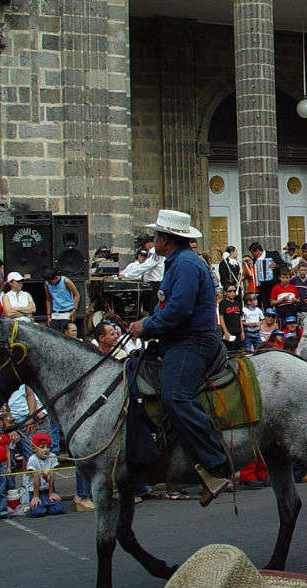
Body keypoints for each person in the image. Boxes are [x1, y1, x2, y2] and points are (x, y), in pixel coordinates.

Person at [128, 210, 230, 507]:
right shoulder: (177, 263)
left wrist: (146, 325)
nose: (153, 240)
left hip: (192, 342)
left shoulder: (184, 265)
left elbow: (179, 310)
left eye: (156, 235)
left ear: (166, 239)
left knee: (175, 396)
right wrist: (150, 323)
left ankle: (215, 464)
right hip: (179, 339)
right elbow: (170, 308)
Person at [23, 433, 65, 518]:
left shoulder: (52, 457)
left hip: (47, 490)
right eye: (42, 447)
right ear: (34, 449)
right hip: (36, 491)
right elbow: (36, 479)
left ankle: (46, 504)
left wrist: (51, 493)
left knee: (58, 509)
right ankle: (32, 506)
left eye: (48, 447)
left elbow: (52, 477)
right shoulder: (32, 459)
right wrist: (35, 496)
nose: (46, 450)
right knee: (38, 513)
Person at [44, 268, 80, 332]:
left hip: (67, 312)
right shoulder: (47, 283)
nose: (49, 283)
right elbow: (48, 299)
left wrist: (74, 309)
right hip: (55, 313)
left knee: (66, 333)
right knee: (54, 334)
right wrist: (49, 315)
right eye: (48, 282)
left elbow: (76, 294)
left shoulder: (66, 281)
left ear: (56, 278)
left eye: (50, 282)